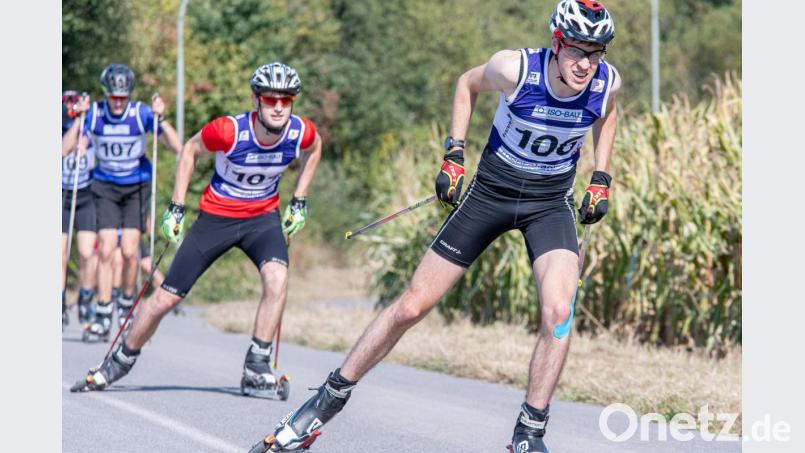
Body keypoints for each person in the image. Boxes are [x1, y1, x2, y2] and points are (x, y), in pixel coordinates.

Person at [254, 1, 620, 452]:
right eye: (577, 51)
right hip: (491, 194)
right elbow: (466, 84)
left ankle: (529, 434)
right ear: (556, 42)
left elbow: (608, 112)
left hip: (550, 204)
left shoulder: (605, 80)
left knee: (559, 315)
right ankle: (323, 403)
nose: (586, 63)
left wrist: (601, 176)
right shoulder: (515, 69)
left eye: (595, 52)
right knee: (411, 306)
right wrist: (454, 153)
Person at [70, 62, 323, 396]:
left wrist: (299, 198)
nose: (278, 107)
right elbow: (189, 149)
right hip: (216, 219)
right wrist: (177, 207)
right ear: (256, 100)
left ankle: (257, 364)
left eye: (286, 100)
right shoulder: (229, 131)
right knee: (165, 299)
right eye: (270, 99)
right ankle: (117, 362)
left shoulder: (299, 131)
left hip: (262, 219)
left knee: (278, 279)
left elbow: (315, 147)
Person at [62, 64, 182, 341]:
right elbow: (64, 149)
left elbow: (176, 146)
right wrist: (80, 119)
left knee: (129, 252)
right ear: (106, 94)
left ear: (129, 95)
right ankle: (104, 312)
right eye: (113, 96)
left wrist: (160, 118)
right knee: (105, 249)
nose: (118, 102)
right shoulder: (95, 114)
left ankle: (127, 303)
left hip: (135, 187)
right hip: (105, 186)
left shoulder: (140, 113)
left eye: (123, 97)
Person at [61, 90, 97, 326]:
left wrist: (87, 135)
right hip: (61, 195)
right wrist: (76, 125)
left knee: (87, 253)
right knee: (60, 254)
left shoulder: (92, 128)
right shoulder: (65, 129)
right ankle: (60, 302)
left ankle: (85, 298)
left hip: (86, 194)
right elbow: (63, 150)